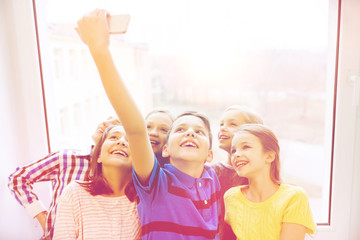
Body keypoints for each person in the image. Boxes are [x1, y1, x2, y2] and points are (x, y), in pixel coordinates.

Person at [76, 9, 221, 239]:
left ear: (210, 155)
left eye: (199, 132)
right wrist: (99, 49)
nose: (191, 133)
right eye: (181, 129)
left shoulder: (212, 178)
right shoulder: (156, 182)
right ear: (165, 149)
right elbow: (134, 128)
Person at [8, 117, 119, 239]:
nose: (103, 122)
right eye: (106, 119)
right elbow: (18, 179)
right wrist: (42, 217)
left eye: (113, 123)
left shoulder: (122, 174)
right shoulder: (66, 159)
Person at [224, 124, 316, 239]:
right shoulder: (232, 197)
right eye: (233, 150)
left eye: (246, 147)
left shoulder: (294, 197)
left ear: (269, 156)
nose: (236, 154)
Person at [53, 124, 141, 239]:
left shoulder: (143, 200)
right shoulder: (74, 193)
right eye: (114, 137)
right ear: (98, 155)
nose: (121, 142)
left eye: (130, 140)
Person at [211, 105, 263, 239]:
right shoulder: (212, 172)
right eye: (221, 124)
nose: (222, 128)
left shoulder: (260, 174)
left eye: (232, 124)